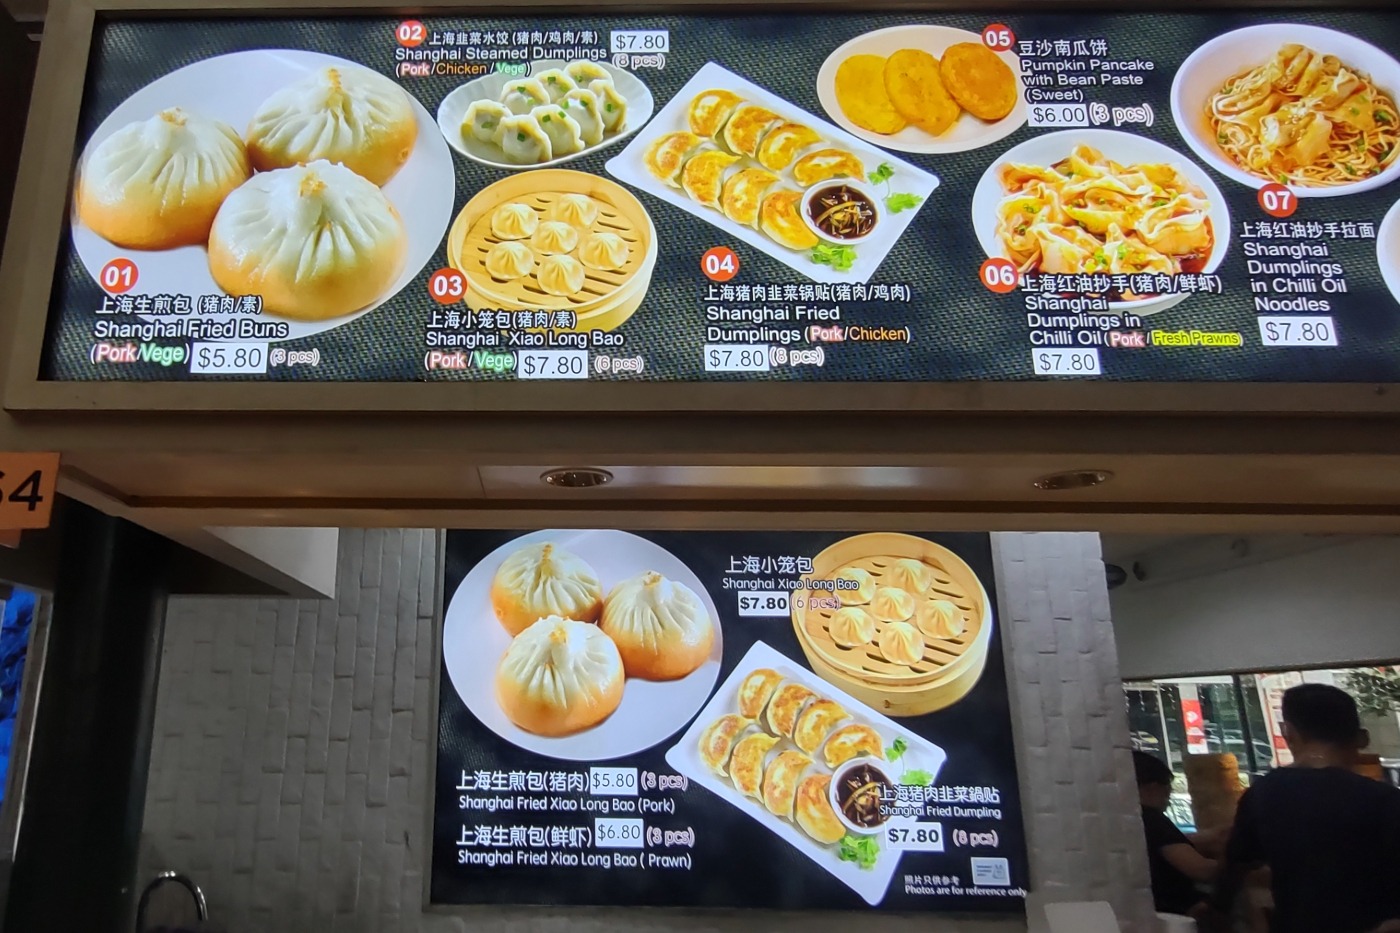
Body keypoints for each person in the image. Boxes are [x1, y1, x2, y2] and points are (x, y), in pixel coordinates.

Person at [1213, 683, 1400, 933]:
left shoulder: (1262, 794)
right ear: (1362, 738)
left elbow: (1235, 868)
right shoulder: (1385, 800)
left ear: (1288, 732)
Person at [1134, 750, 1218, 921]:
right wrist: (1237, 864)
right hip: (1175, 916)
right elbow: (1199, 869)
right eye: (1168, 790)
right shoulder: (1150, 817)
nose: (1169, 800)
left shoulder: (1127, 818)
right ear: (1152, 787)